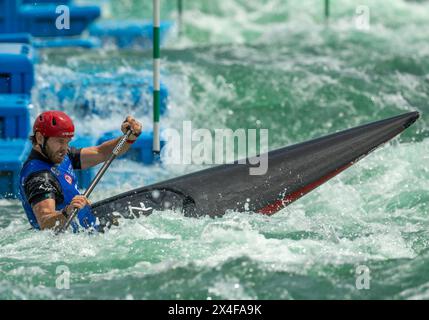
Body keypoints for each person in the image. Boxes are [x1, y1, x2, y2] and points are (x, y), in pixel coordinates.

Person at [18, 111, 142, 232]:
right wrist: (68, 211)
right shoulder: (39, 177)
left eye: (68, 142)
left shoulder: (60, 155)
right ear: (40, 138)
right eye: (60, 141)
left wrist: (129, 138)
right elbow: (45, 222)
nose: (65, 148)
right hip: (67, 246)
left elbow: (101, 152)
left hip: (87, 233)